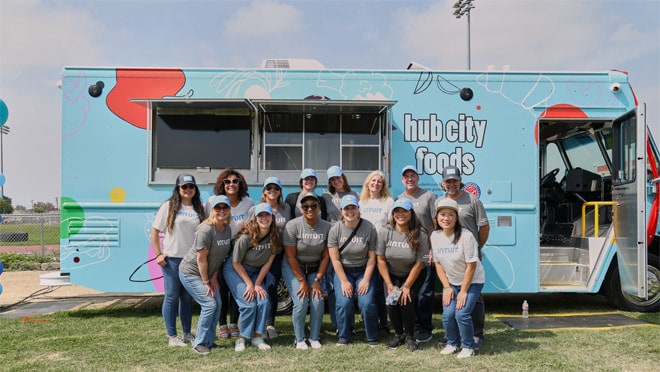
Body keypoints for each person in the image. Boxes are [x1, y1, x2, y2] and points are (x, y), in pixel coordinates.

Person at [437, 165, 490, 349]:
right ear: (443, 183)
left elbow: (484, 228)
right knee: (451, 295)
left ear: (460, 181)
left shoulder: (472, 200)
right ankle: (452, 335)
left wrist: (476, 248)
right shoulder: (440, 201)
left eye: (455, 180)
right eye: (448, 181)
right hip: (448, 257)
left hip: (469, 256)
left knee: (474, 298)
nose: (452, 183)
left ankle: (476, 334)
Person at [151, 174, 203, 347]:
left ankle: (187, 333)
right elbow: (155, 232)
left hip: (191, 262)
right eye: (184, 187)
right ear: (178, 189)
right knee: (172, 297)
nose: (188, 189)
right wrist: (159, 254)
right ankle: (172, 336)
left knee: (187, 298)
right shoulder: (169, 206)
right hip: (172, 260)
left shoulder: (198, 209)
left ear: (195, 189)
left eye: (191, 186)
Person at [178, 195, 233, 354]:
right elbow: (201, 259)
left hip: (208, 274)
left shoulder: (227, 229)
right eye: (218, 208)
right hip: (191, 272)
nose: (221, 211)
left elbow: (219, 257)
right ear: (212, 210)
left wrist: (214, 277)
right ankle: (199, 343)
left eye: (225, 208)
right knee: (210, 304)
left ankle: (209, 341)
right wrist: (206, 282)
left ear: (229, 210)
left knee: (218, 305)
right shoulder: (206, 229)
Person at [223, 203, 280, 352]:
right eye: (260, 215)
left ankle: (257, 337)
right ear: (255, 218)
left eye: (267, 215)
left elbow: (269, 262)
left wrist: (258, 283)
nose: (264, 218)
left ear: (272, 217)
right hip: (235, 269)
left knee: (263, 301)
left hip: (256, 271)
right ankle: (241, 339)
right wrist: (250, 284)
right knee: (248, 303)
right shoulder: (246, 237)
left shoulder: (275, 236)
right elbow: (235, 262)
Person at [432, 198, 485, 359]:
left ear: (456, 218)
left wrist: (463, 291)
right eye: (442, 214)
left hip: (473, 281)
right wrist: (447, 287)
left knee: (461, 314)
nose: (446, 218)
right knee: (448, 314)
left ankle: (468, 346)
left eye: (450, 215)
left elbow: (471, 265)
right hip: (452, 282)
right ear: (437, 217)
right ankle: (452, 343)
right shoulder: (435, 236)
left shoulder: (466, 236)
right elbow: (438, 264)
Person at [282, 192, 332, 350]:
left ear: (318, 207)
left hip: (315, 268)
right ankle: (299, 339)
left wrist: (317, 280)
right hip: (294, 267)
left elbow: (326, 257)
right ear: (300, 208)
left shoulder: (327, 226)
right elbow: (290, 257)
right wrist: (302, 281)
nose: (309, 209)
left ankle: (314, 337)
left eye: (313, 206)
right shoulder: (292, 225)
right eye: (305, 206)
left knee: (317, 300)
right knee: (302, 300)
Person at [377, 198, 427, 352]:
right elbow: (381, 259)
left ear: (411, 213)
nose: (400, 214)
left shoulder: (421, 233)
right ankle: (399, 335)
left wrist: (406, 286)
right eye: (397, 211)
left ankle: (410, 337)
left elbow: (420, 263)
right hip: (392, 274)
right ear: (393, 214)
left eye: (404, 211)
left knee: (406, 301)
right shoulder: (385, 231)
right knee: (391, 302)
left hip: (414, 274)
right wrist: (389, 284)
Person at [328, 195, 379, 346]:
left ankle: (372, 336)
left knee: (366, 302)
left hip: (365, 270)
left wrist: (366, 280)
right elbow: (335, 259)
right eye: (347, 208)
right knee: (344, 302)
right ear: (341, 211)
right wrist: (343, 281)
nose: (350, 211)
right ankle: (344, 336)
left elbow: (372, 257)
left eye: (353, 207)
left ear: (358, 209)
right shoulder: (335, 229)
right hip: (344, 271)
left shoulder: (369, 227)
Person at [244, 177, 291, 339]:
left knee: (271, 286)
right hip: (256, 255)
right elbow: (247, 230)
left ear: (280, 191)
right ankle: (255, 324)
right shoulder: (255, 209)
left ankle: (270, 324)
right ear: (264, 191)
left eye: (276, 188)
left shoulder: (286, 209)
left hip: (277, 255)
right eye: (269, 188)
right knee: (255, 288)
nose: (272, 191)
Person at [210, 168, 253, 339]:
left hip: (238, 250)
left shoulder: (248, 202)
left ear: (240, 184)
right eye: (227, 182)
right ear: (222, 184)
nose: (231, 184)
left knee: (235, 287)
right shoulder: (214, 201)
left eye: (235, 181)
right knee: (219, 287)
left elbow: (250, 227)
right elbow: (208, 224)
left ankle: (234, 323)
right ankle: (222, 324)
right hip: (218, 249)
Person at [397, 165, 436, 343]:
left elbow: (437, 226)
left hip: (426, 251)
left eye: (413, 175)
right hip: (408, 254)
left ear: (417, 178)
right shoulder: (399, 199)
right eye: (407, 176)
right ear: (402, 180)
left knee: (425, 293)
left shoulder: (428, 196)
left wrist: (433, 249)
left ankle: (425, 328)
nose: (410, 179)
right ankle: (411, 326)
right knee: (410, 291)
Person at [358, 170, 394, 335]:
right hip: (364, 250)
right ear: (367, 183)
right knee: (368, 287)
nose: (376, 183)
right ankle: (368, 320)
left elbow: (392, 224)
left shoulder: (388, 202)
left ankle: (384, 323)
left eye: (380, 181)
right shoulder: (361, 202)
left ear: (383, 185)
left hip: (382, 249)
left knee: (381, 288)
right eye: (373, 180)